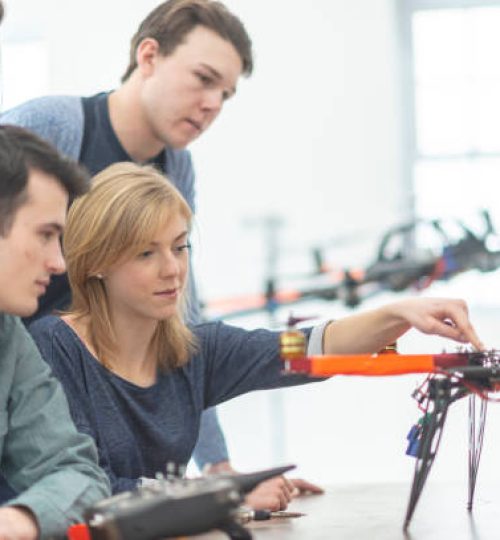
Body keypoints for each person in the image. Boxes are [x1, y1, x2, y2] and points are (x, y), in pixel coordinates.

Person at [29, 162, 484, 512]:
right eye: (146, 253)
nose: (172, 269)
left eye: (180, 246)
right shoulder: (53, 350)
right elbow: (89, 491)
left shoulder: (195, 351)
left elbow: (302, 348)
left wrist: (397, 314)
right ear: (98, 262)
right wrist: (227, 495)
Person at [0, 0, 253, 476]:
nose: (213, 104)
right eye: (203, 78)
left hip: (75, 424)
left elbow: (179, 321)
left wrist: (218, 467)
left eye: (226, 93)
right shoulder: (53, 127)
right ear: (149, 56)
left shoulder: (175, 169)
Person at [0, 125, 110, 538]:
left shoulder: (9, 338)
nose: (58, 263)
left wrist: (20, 521)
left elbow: (75, 471)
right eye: (46, 235)